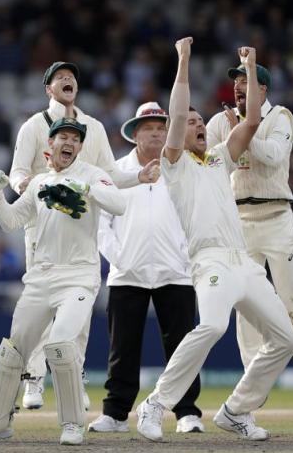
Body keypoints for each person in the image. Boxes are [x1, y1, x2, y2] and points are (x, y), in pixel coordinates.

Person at [135, 37, 293, 442]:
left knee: (285, 339)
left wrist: (252, 62)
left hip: (243, 261)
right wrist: (184, 60)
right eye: (190, 124)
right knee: (210, 326)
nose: (197, 126)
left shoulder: (218, 158)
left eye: (199, 121)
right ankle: (156, 404)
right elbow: (176, 113)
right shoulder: (174, 165)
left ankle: (236, 411)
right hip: (210, 261)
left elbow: (253, 122)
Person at [0, 116, 125, 445]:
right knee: (15, 350)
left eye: (75, 139)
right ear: (49, 145)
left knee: (61, 343)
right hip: (40, 277)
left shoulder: (92, 174)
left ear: (80, 147)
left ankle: (72, 425)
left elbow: (119, 204)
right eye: (63, 137)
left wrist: (90, 189)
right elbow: (11, 221)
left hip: (79, 276)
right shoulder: (39, 183)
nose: (69, 142)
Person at [9, 61, 158, 410]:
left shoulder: (92, 127)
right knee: (41, 304)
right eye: (58, 78)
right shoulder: (33, 126)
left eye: (71, 77)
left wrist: (139, 177)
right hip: (42, 225)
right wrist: (23, 185)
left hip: (80, 229)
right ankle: (33, 379)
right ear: (48, 90)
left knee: (77, 312)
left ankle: (73, 379)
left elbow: (108, 174)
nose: (67, 80)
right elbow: (17, 170)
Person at [206, 60, 293, 404]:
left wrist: (243, 131)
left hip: (276, 216)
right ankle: (253, 387)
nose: (239, 88)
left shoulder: (280, 117)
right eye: (237, 83)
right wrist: (231, 135)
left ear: (263, 90)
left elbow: (272, 156)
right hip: (238, 219)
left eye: (247, 82)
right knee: (248, 307)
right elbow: (208, 160)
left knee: (292, 299)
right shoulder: (219, 122)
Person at [89, 102, 203, 435]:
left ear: (169, 132)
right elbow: (101, 221)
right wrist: (119, 257)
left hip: (176, 272)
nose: (155, 133)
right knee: (121, 348)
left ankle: (186, 413)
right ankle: (116, 414)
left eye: (161, 128)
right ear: (135, 133)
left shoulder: (180, 168)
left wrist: (184, 256)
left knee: (183, 347)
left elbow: (194, 216)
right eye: (148, 128)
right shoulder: (116, 170)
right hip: (127, 273)